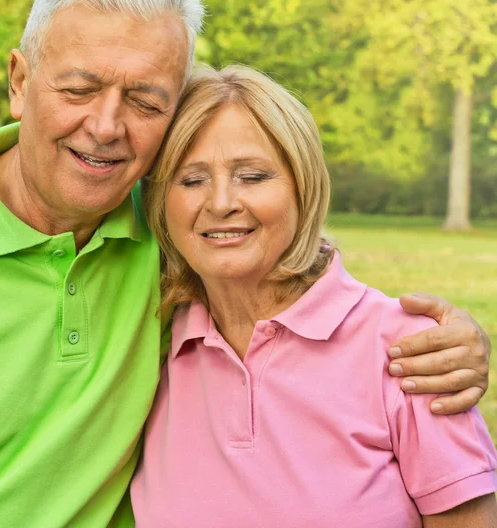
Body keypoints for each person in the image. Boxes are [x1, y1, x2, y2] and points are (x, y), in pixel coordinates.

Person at [0, 0, 490, 527]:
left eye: (145, 101)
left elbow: (286, 273)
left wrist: (443, 343)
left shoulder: (167, 232)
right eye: (78, 89)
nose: (105, 126)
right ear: (20, 81)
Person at [131, 65, 497, 528]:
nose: (221, 201)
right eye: (191, 180)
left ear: (304, 188)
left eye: (253, 176)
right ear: (160, 203)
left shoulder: (414, 353)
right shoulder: (151, 343)